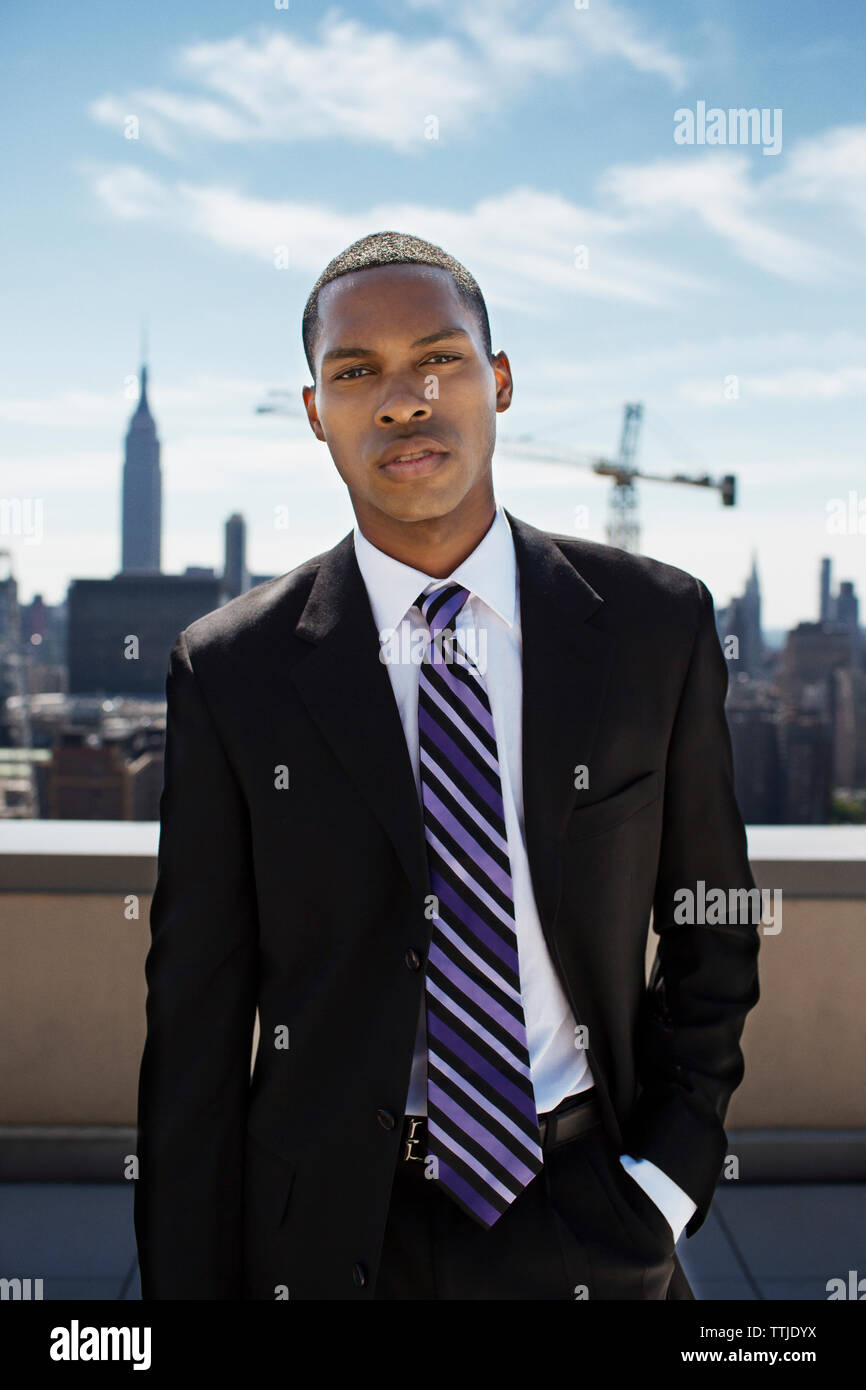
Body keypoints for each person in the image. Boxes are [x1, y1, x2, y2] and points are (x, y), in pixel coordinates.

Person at [134, 230, 760, 1301]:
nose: (401, 397)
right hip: (323, 1229)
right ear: (315, 411)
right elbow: (194, 1018)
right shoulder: (229, 669)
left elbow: (711, 921)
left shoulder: (652, 627)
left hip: (588, 1209)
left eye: (439, 357)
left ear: (500, 380)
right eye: (355, 370)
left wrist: (666, 1172)